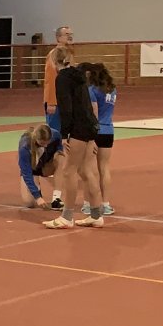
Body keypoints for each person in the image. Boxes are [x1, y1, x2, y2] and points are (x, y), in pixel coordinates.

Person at [45, 56, 104, 230]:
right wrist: (93, 132)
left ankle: (67, 217)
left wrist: (65, 135)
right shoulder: (79, 76)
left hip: (78, 128)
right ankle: (96, 215)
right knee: (86, 171)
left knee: (68, 171)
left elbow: (66, 108)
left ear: (54, 62)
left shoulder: (62, 79)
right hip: (89, 125)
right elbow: (87, 105)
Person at [41, 25, 75, 208]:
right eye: (66, 34)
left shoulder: (69, 54)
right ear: (58, 37)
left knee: (66, 142)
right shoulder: (54, 55)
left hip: (66, 103)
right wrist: (52, 102)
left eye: (71, 34)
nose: (70, 36)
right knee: (56, 142)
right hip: (57, 104)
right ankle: (51, 177)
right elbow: (50, 80)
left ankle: (61, 174)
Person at [86, 63, 117, 217]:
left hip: (96, 131)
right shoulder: (112, 90)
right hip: (108, 130)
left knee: (89, 170)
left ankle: (88, 204)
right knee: (104, 168)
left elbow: (94, 112)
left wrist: (91, 134)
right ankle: (106, 204)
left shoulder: (92, 90)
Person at [18, 122, 61, 207]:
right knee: (29, 203)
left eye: (47, 143)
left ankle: (57, 198)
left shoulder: (54, 134)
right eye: (42, 143)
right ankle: (37, 184)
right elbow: (26, 174)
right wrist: (37, 197)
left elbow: (59, 139)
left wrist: (60, 149)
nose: (45, 146)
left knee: (62, 156)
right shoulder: (25, 147)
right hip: (32, 169)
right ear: (36, 139)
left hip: (45, 165)